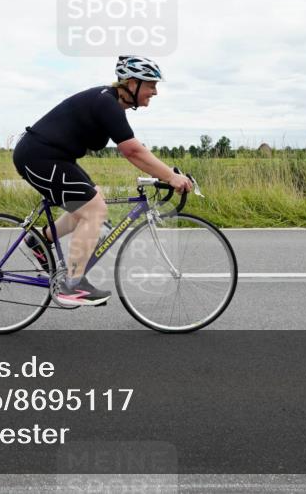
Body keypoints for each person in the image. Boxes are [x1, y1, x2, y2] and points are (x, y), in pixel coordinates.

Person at [12, 55, 193, 307]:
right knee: (94, 210)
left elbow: (136, 149)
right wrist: (171, 176)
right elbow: (133, 151)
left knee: (92, 201)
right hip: (39, 157)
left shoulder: (110, 104)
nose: (155, 91)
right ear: (132, 83)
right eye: (151, 84)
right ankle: (72, 285)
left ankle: (41, 240)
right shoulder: (106, 102)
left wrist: (164, 172)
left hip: (55, 157)